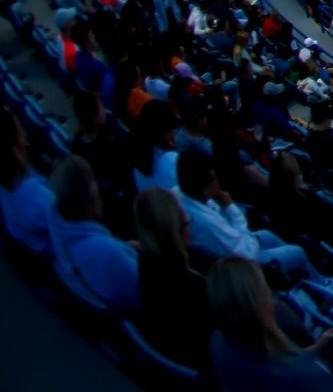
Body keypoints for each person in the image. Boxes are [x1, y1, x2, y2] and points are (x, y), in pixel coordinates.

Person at [206, 256, 333, 391]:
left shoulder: (219, 339)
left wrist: (315, 349)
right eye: (268, 292)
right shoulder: (302, 378)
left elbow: (280, 359)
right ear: (262, 304)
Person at [173, 147, 333, 288]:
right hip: (244, 266)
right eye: (214, 176)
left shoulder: (179, 193)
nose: (218, 179)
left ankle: (291, 272)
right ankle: (322, 284)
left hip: (234, 247)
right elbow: (247, 253)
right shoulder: (207, 223)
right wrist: (230, 208)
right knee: (298, 251)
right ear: (204, 184)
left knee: (268, 235)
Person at [47, 155, 141, 314]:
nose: (101, 201)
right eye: (97, 197)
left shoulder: (54, 220)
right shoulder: (113, 255)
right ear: (88, 208)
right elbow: (148, 300)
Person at [134, 187, 215, 370]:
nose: (189, 226)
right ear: (176, 232)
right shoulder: (198, 290)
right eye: (186, 224)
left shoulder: (144, 264)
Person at [0, 103, 55, 256]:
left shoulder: (6, 182)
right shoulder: (37, 196)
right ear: (14, 147)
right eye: (20, 133)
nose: (25, 138)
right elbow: (72, 228)